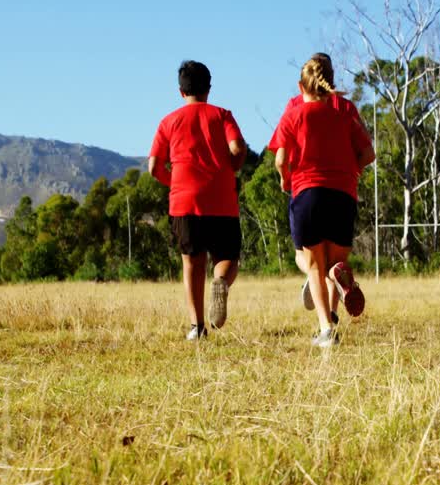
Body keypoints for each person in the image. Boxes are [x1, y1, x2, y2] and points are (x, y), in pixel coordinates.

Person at [271, 57, 376, 347]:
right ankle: (337, 281)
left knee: (315, 267)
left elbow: (281, 159)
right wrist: (349, 171)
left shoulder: (294, 114)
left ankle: (326, 330)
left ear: (300, 86)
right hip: (343, 195)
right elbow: (369, 154)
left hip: (308, 194)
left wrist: (285, 178)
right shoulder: (346, 114)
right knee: (335, 261)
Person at [148, 60, 247, 340]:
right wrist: (233, 167)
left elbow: (154, 166)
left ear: (181, 91)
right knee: (227, 258)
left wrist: (174, 182)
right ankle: (221, 282)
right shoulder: (222, 115)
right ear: (209, 89)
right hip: (221, 199)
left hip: (184, 201)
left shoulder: (169, 121)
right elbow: (237, 148)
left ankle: (197, 327)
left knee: (192, 262)